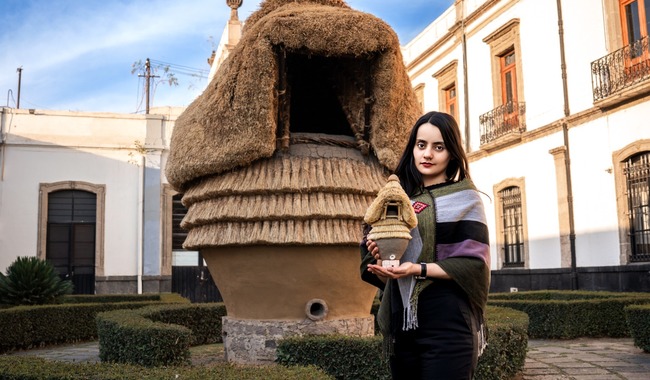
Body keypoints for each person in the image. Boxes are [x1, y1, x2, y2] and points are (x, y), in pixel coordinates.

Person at [360, 111, 491, 379]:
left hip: (448, 321)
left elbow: (474, 264)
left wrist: (416, 269)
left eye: (438, 147)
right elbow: (368, 248)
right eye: (421, 145)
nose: (427, 154)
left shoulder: (466, 199)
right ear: (413, 149)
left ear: (452, 153)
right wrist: (377, 259)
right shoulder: (395, 198)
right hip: (402, 322)